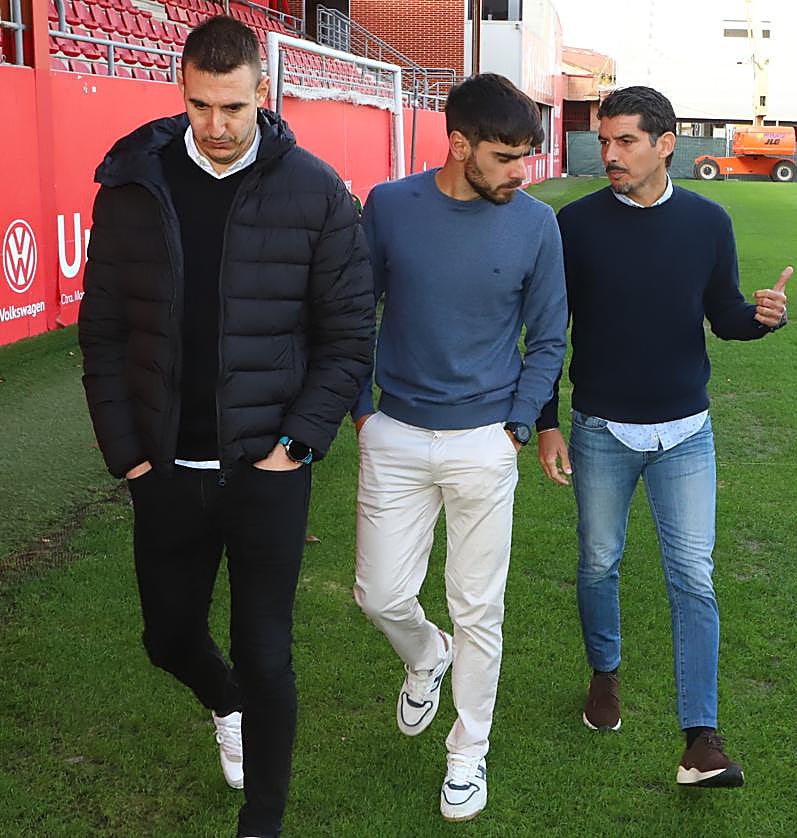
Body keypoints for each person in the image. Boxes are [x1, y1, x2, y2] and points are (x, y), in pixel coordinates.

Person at [77, 15, 374, 838]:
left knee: (266, 651)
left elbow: (349, 336)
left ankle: (263, 818)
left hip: (267, 470)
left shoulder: (315, 190)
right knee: (167, 637)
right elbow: (102, 332)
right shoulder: (134, 185)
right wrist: (129, 458)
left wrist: (297, 444)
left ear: (262, 96)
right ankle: (224, 703)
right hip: (164, 471)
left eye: (233, 108)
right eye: (201, 105)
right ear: (182, 92)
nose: (215, 125)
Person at [535, 85, 791, 789]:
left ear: (665, 143)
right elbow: (547, 332)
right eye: (605, 140)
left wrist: (762, 317)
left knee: (693, 580)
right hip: (600, 431)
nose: (609, 154)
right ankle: (605, 677)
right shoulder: (575, 224)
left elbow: (724, 315)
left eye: (624, 142)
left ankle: (700, 740)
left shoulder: (708, 222)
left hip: (687, 434)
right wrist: (548, 422)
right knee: (598, 564)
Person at [352, 73, 567, 823]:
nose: (521, 172)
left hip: (485, 440)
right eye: (507, 157)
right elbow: (351, 312)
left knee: (479, 607)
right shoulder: (388, 207)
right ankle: (424, 656)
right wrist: (360, 413)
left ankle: (467, 753)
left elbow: (549, 339)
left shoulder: (537, 224)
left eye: (526, 157)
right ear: (459, 144)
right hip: (397, 433)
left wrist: (514, 425)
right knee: (378, 594)